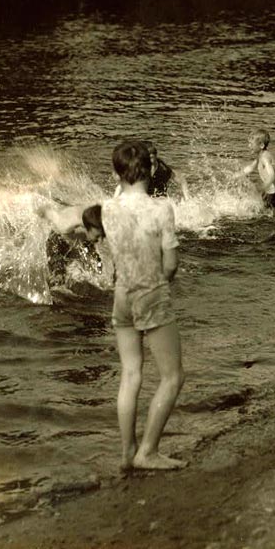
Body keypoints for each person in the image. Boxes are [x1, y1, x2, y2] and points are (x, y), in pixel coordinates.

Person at [103, 139, 186, 470]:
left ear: (116, 173)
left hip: (121, 294)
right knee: (172, 377)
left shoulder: (106, 209)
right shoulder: (161, 209)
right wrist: (163, 283)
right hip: (150, 291)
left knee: (130, 373)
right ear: (150, 170)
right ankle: (147, 452)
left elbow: (107, 256)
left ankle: (126, 452)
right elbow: (171, 264)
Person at [113, 142, 187, 199]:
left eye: (152, 159)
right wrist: (115, 198)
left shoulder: (163, 168)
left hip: (159, 200)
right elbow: (123, 183)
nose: (149, 162)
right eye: (147, 159)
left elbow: (181, 179)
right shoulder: (140, 167)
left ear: (155, 157)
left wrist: (187, 197)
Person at [241, 129, 275, 209]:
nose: (248, 146)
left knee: (266, 216)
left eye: (251, 144)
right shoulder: (260, 156)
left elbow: (272, 176)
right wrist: (238, 175)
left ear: (261, 145)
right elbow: (251, 168)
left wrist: (263, 187)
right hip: (274, 193)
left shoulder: (265, 157)